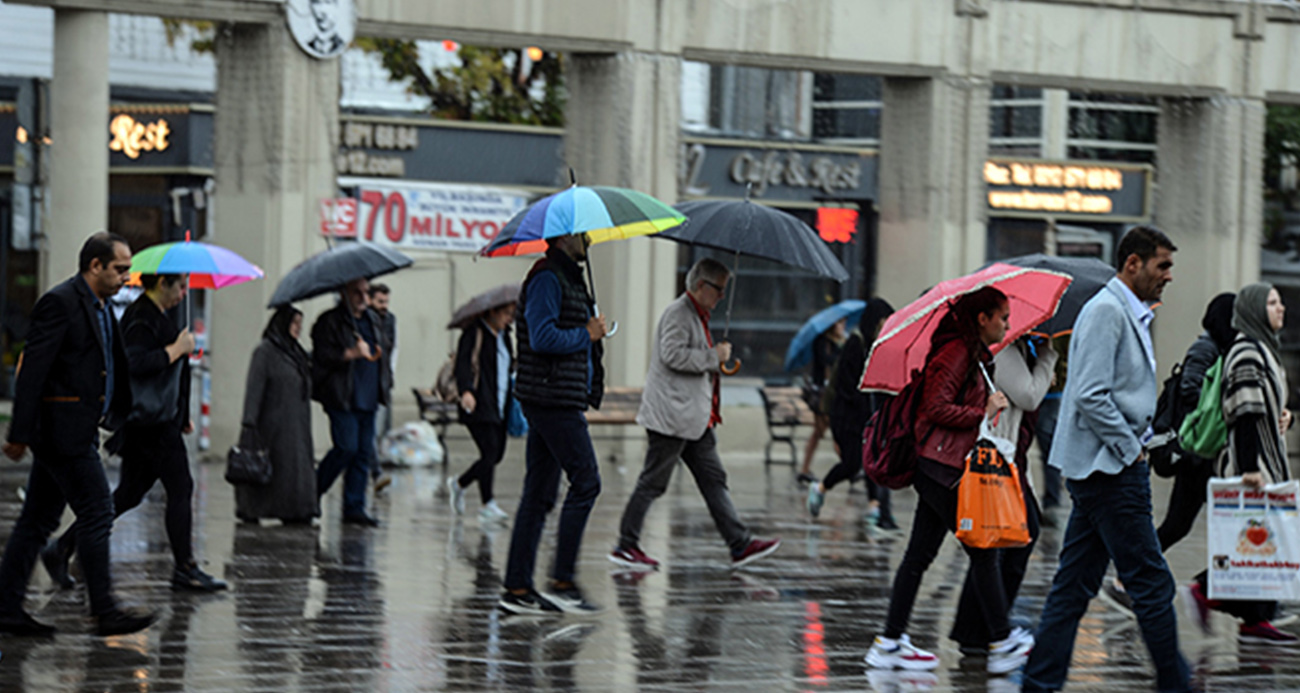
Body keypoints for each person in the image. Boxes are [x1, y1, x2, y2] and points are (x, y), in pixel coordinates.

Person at [1022, 226, 1193, 693]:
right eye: (1162, 265)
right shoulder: (1107, 312)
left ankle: (1038, 683)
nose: (1169, 276)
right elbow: (1091, 395)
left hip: (1103, 469)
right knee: (1152, 585)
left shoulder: (1126, 311)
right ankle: (1175, 683)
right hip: (1111, 471)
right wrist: (1131, 448)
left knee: (1073, 586)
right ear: (1132, 264)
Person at [866, 286, 1032, 676]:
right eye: (1003, 317)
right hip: (942, 469)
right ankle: (1003, 639)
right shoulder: (956, 352)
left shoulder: (970, 353)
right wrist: (982, 411)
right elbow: (933, 408)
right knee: (983, 549)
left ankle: (889, 641)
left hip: (938, 467)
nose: (1007, 324)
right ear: (982, 319)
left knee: (919, 556)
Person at [0, 232, 156, 637]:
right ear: (95, 266)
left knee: (37, 519)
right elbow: (33, 370)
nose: (127, 275)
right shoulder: (60, 303)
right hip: (60, 432)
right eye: (120, 268)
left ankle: (6, 607)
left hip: (81, 428)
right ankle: (104, 609)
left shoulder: (102, 306)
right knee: (97, 510)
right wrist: (19, 432)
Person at [45, 273, 226, 592]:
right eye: (180, 286)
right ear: (161, 284)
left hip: (157, 421)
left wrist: (182, 414)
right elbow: (135, 363)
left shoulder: (156, 316)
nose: (184, 294)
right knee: (181, 487)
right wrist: (176, 349)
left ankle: (62, 548)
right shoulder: (141, 318)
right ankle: (185, 567)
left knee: (128, 494)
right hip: (150, 424)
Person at [609, 258, 781, 571]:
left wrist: (715, 360)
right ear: (701, 286)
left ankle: (739, 544)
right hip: (672, 418)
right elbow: (672, 355)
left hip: (694, 419)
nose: (721, 297)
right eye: (718, 289)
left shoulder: (698, 314)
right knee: (653, 482)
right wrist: (712, 356)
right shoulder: (679, 313)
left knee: (714, 479)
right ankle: (626, 544)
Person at [1102, 293, 1236, 614]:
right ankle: (1138, 579)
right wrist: (1220, 406)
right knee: (1184, 524)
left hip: (1205, 456)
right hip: (1197, 455)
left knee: (1186, 524)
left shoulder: (1222, 349)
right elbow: (1191, 389)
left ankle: (1214, 589)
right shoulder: (1206, 348)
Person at [498, 233, 606, 615]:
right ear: (563, 236)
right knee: (587, 481)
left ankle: (516, 588)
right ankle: (562, 581)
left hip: (557, 395)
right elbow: (542, 337)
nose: (589, 239)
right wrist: (586, 333)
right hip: (551, 397)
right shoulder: (546, 277)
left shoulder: (569, 277)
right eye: (582, 233)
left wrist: (593, 333)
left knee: (540, 493)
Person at [1182, 283, 1297, 643]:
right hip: (1254, 465)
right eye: (1272, 303)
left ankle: (1254, 620)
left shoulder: (1264, 350)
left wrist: (1285, 417)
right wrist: (1249, 469)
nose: (1281, 309)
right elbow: (1245, 412)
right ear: (1253, 310)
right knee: (1252, 542)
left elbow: (1266, 406)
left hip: (1267, 459)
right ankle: (1205, 590)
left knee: (1263, 543)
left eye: (1280, 302)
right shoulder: (1247, 352)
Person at [947, 334, 1056, 654]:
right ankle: (987, 631)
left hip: (1009, 457)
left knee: (998, 544)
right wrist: (1049, 357)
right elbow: (1030, 396)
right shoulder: (1006, 351)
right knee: (1009, 539)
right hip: (996, 458)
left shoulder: (1019, 350)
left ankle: (978, 631)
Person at [807, 298, 898, 530]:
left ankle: (874, 506)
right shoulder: (855, 345)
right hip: (846, 419)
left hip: (865, 418)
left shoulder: (874, 346)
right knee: (852, 463)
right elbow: (848, 386)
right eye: (883, 322)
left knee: (869, 461)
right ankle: (820, 488)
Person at [312, 277, 390, 527]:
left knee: (363, 453)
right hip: (341, 396)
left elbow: (382, 351)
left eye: (365, 292)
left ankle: (354, 507)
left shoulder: (372, 320)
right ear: (343, 293)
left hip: (368, 396)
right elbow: (321, 356)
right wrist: (349, 354)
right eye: (356, 292)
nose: (362, 297)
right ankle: (312, 491)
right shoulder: (329, 321)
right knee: (346, 447)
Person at [235, 307, 318, 525]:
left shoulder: (296, 353)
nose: (298, 328)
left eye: (300, 323)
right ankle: (256, 509)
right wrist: (249, 423)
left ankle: (296, 510)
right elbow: (254, 388)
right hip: (272, 425)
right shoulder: (265, 352)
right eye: (294, 323)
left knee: (294, 470)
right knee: (272, 469)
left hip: (296, 425)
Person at [447, 300, 516, 525]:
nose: (509, 319)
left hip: (501, 403)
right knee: (490, 452)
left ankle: (459, 484)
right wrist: (466, 390)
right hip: (478, 403)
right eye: (506, 313)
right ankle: (488, 504)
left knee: (496, 454)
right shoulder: (474, 333)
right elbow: (463, 365)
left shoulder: (505, 337)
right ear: (492, 312)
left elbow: (509, 366)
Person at [796, 318, 846, 484]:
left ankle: (805, 468)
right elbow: (827, 361)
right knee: (832, 431)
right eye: (840, 323)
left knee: (819, 432)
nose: (843, 327)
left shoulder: (838, 342)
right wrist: (840, 350)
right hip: (822, 395)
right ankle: (849, 467)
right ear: (832, 325)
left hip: (829, 394)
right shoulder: (822, 342)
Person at [1033, 334, 1070, 528]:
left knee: (1049, 447)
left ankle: (1052, 502)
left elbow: (1066, 354)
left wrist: (1059, 378)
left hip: (1051, 393)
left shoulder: (1058, 329)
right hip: (1027, 386)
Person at [368, 283, 396, 493]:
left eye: (386, 302)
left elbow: (391, 349)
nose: (384, 306)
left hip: (383, 382)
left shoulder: (390, 320)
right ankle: (376, 472)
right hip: (367, 382)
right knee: (370, 433)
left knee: (376, 433)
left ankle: (374, 471)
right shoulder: (366, 320)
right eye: (380, 302)